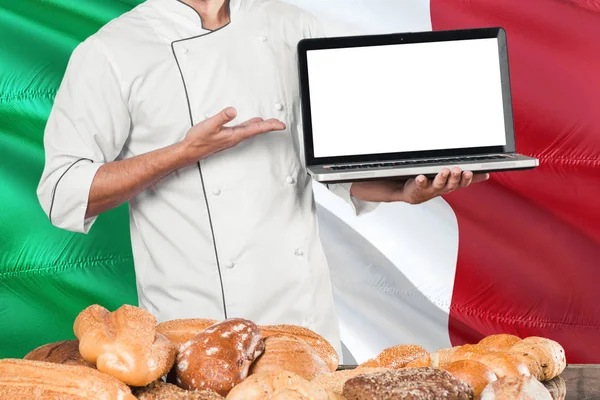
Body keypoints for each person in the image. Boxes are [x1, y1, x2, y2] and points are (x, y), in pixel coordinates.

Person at [37, 0, 488, 358]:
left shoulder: (293, 26)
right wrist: (182, 153)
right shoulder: (112, 50)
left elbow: (326, 161)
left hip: (304, 320)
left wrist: (403, 190)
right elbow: (63, 191)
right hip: (194, 329)